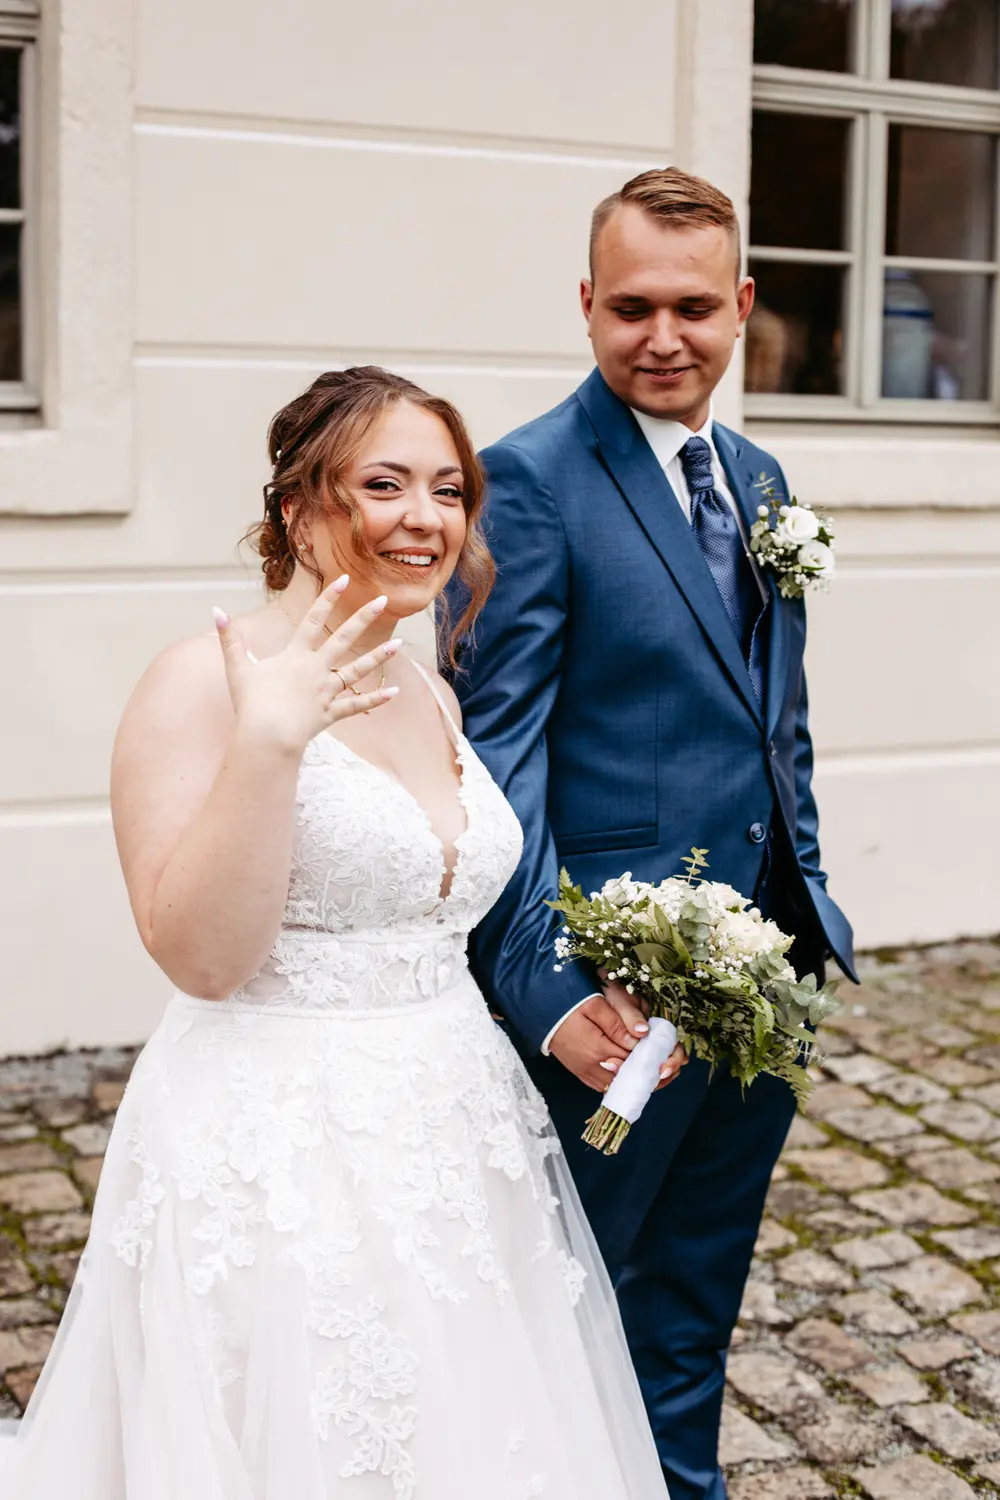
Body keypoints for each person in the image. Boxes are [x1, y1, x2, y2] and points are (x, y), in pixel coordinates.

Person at [2, 367, 666, 1499]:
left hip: (455, 1132)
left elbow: (443, 906)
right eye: (386, 483)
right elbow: (199, 957)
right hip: (280, 1143)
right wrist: (268, 746)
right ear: (299, 510)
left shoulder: (431, 690)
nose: (427, 517)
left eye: (449, 489)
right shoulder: (198, 686)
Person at [447, 168, 856, 1500]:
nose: (663, 337)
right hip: (618, 998)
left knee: (700, 1282)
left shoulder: (758, 473)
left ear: (742, 307)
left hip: (768, 974)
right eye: (632, 308)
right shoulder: (528, 482)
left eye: (692, 306)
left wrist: (810, 896)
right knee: (579, 1296)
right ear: (586, 306)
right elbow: (495, 775)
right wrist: (557, 993)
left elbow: (770, 715)